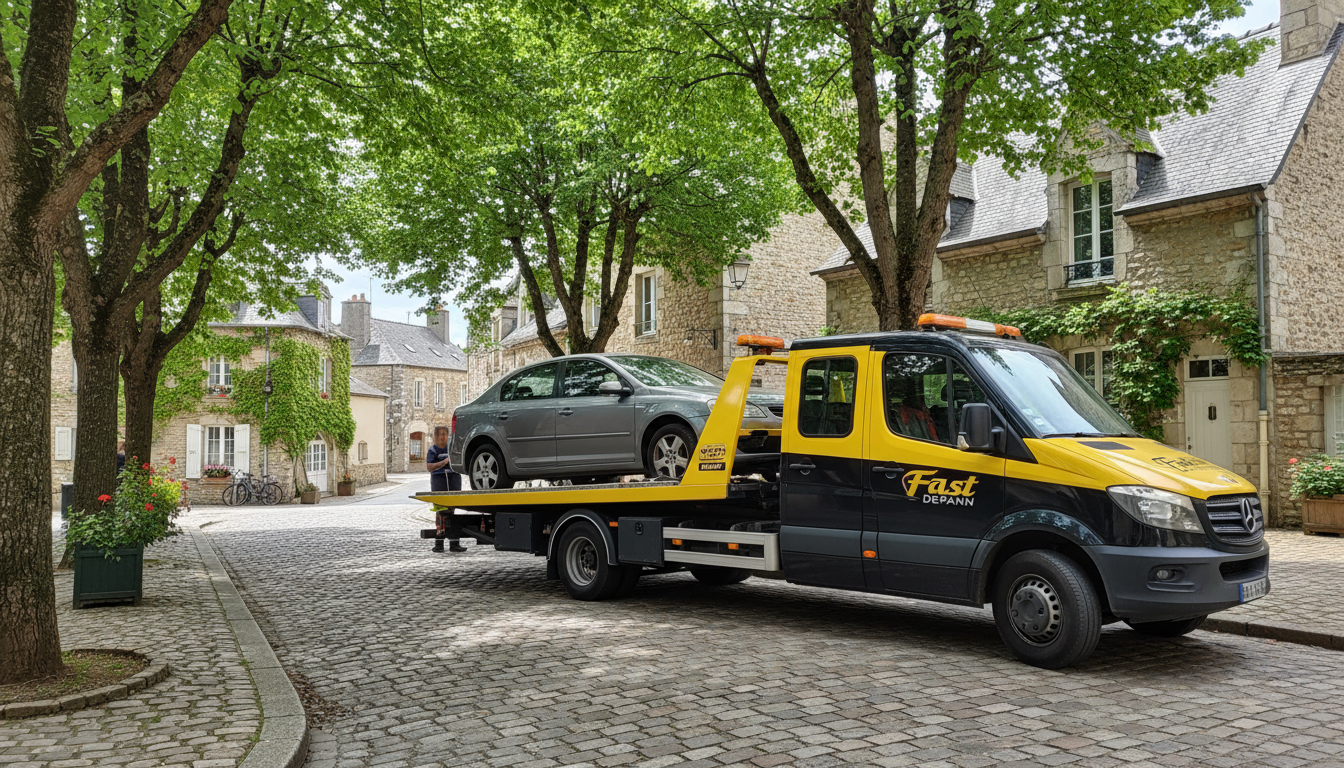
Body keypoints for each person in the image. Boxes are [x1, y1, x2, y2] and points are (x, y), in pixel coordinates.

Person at [426, 425, 466, 553]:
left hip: (453, 480)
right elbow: (430, 466)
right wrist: (444, 462)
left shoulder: (452, 449)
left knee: (452, 514)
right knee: (441, 513)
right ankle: (439, 544)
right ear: (436, 436)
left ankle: (454, 544)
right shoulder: (433, 450)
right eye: (440, 434)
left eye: (444, 434)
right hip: (439, 482)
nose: (442, 437)